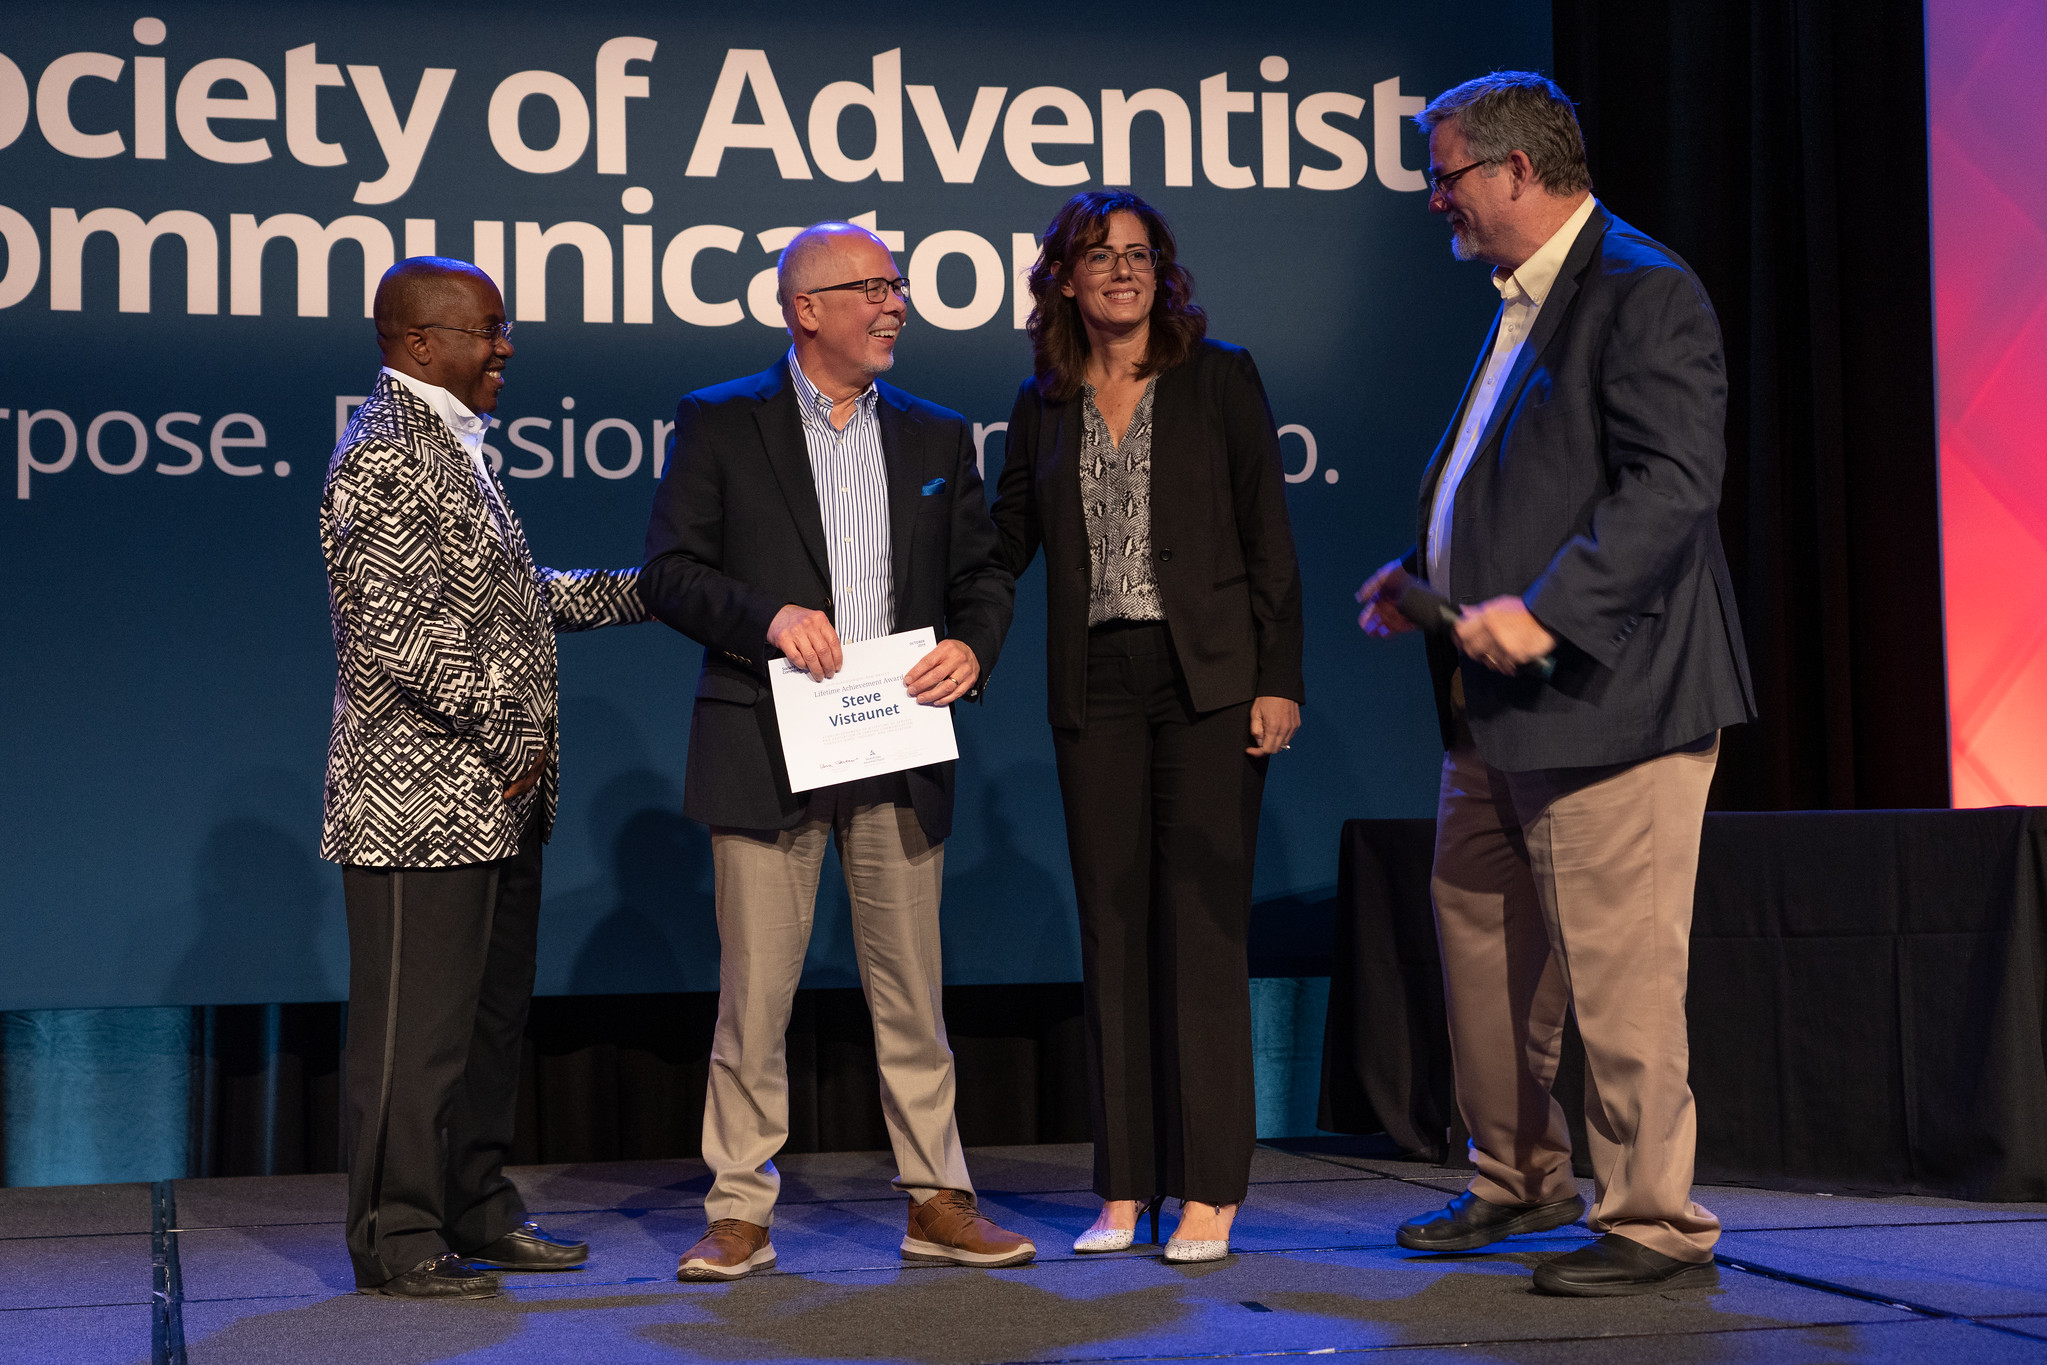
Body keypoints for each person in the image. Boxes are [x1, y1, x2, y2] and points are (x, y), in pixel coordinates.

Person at [1355, 73, 1757, 1296]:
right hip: (1495, 712)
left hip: (1612, 701)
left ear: (1517, 173)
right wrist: (1426, 576)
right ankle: (1516, 1171)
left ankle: (1652, 1219)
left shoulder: (1643, 288)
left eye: (1448, 176)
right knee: (1481, 944)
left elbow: (1672, 490)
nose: (1437, 202)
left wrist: (1545, 612)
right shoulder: (1524, 298)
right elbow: (1514, 478)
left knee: (1617, 971)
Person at [641, 221, 1027, 1281]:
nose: (895, 303)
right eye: (871, 288)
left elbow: (982, 576)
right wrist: (767, 616)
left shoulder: (938, 435)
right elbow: (669, 571)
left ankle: (937, 1197)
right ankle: (738, 1210)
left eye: (897, 287)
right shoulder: (721, 422)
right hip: (765, 738)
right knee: (754, 994)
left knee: (912, 988)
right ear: (805, 308)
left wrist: (969, 648)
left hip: (896, 739)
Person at [320, 258, 651, 1298]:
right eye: (488, 330)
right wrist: (513, 740)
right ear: (420, 343)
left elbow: (511, 603)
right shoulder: (380, 457)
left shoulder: (456, 450)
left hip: (495, 805)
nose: (505, 347)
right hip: (420, 808)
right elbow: (401, 638)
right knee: (412, 1042)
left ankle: (475, 1203)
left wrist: (653, 592)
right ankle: (397, 1231)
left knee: (485, 1029)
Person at [992, 191, 1304, 1264]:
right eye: (1098, 254)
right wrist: (948, 634)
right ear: (1063, 279)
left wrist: (1279, 678)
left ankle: (1210, 1189)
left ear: (1160, 273)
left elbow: (1270, 535)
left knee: (1201, 930)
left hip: (1208, 680)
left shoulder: (1219, 377)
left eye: (1138, 253)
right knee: (1112, 932)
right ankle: (1125, 1188)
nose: (1120, 269)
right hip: (1097, 682)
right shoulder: (1041, 401)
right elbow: (1002, 545)